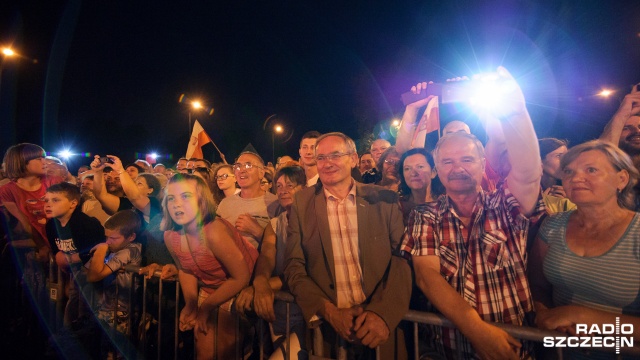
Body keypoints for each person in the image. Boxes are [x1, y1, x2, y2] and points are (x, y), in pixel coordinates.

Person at [401, 67, 545, 359]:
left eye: (467, 159)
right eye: (448, 162)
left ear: (483, 164)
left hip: (515, 347)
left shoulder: (505, 205)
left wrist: (515, 111)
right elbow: (427, 278)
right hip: (448, 349)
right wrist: (479, 332)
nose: (457, 168)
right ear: (437, 170)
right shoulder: (425, 215)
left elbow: (529, 174)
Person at [284, 132, 411, 359]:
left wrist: (383, 313)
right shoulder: (301, 203)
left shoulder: (383, 199)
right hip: (329, 332)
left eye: (335, 155)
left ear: (353, 159)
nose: (327, 163)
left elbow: (402, 259)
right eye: (321, 157)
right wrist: (327, 311)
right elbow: (294, 265)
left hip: (380, 329)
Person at [528, 140, 640, 358]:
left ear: (622, 179)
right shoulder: (553, 224)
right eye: (569, 171)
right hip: (558, 352)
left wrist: (583, 317)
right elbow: (537, 284)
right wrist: (544, 314)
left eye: (591, 170)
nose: (575, 178)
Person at [162, 174, 258, 359]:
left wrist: (205, 308)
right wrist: (190, 304)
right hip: (209, 290)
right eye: (171, 198)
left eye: (185, 196)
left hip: (239, 290)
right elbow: (185, 269)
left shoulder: (214, 232)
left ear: (202, 200)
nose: (177, 204)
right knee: (204, 349)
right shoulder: (170, 236)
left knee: (221, 352)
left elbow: (241, 277)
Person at [236, 165, 307, 359]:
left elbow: (305, 271)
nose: (283, 191)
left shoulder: (313, 221)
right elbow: (267, 256)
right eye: (279, 185)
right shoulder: (276, 223)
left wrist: (263, 286)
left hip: (307, 314)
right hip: (279, 311)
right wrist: (260, 281)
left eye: (290, 185)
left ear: (303, 188)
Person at [44, 182, 104, 328]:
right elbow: (57, 251)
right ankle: (70, 334)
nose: (48, 204)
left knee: (86, 309)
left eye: (55, 200)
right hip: (74, 275)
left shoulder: (86, 224)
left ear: (73, 204)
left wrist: (71, 258)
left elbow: (97, 250)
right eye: (46, 200)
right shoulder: (51, 225)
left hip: (93, 277)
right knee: (73, 301)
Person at [0, 143, 70, 260]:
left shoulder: (54, 182)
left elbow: (63, 217)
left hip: (61, 239)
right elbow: (25, 222)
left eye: (44, 157)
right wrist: (41, 246)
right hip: (34, 240)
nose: (45, 162)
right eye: (39, 159)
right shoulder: (6, 191)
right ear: (21, 162)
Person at [86, 210, 142, 337]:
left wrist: (101, 250)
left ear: (131, 237)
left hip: (120, 313)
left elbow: (93, 276)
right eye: (106, 237)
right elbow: (86, 271)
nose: (108, 242)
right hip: (105, 308)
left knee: (114, 353)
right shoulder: (114, 248)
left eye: (113, 238)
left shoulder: (130, 250)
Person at [216, 151, 279, 249]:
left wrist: (257, 231)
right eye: (238, 166)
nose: (241, 170)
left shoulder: (275, 204)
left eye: (248, 165)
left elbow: (284, 247)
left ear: (261, 173)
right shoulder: (225, 204)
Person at [398, 147, 437, 222]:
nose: (413, 173)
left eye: (420, 167)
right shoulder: (397, 206)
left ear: (433, 172)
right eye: (407, 169)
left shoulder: (445, 204)